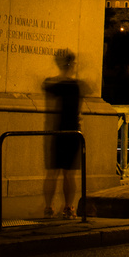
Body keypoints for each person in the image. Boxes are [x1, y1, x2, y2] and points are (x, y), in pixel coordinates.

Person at [43, 49, 85, 219]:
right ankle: (68, 207)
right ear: (71, 65)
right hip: (73, 131)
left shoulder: (54, 85)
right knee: (69, 174)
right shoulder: (75, 86)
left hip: (57, 130)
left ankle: (48, 207)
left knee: (52, 173)